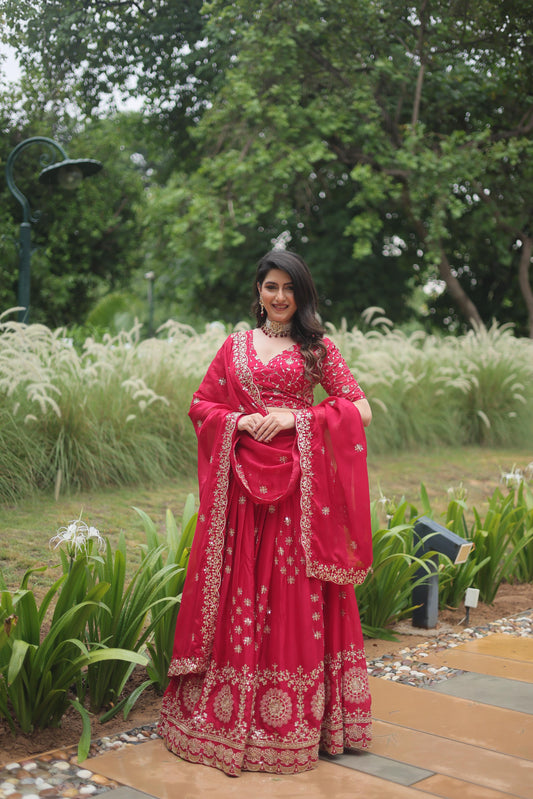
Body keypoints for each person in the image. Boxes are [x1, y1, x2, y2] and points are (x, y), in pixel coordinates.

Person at [158, 250, 373, 776]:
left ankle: (292, 726)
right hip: (240, 495)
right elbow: (201, 406)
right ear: (258, 291)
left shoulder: (317, 348)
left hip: (297, 497)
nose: (279, 298)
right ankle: (226, 716)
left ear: (302, 295)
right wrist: (236, 422)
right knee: (239, 593)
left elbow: (359, 408)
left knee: (291, 597)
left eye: (289, 289)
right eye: (270, 287)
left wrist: (292, 417)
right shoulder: (232, 348)